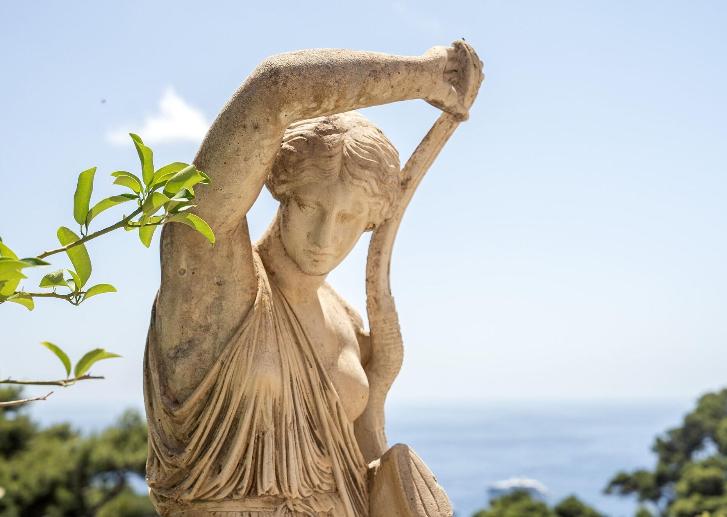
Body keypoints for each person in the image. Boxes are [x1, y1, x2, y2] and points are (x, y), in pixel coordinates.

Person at [144, 42, 483, 516]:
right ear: (281, 189)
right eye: (310, 206)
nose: (325, 237)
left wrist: (378, 387)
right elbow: (273, 89)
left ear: (371, 220)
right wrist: (426, 76)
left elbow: (360, 470)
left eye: (348, 218)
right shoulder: (212, 270)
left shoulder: (344, 316)